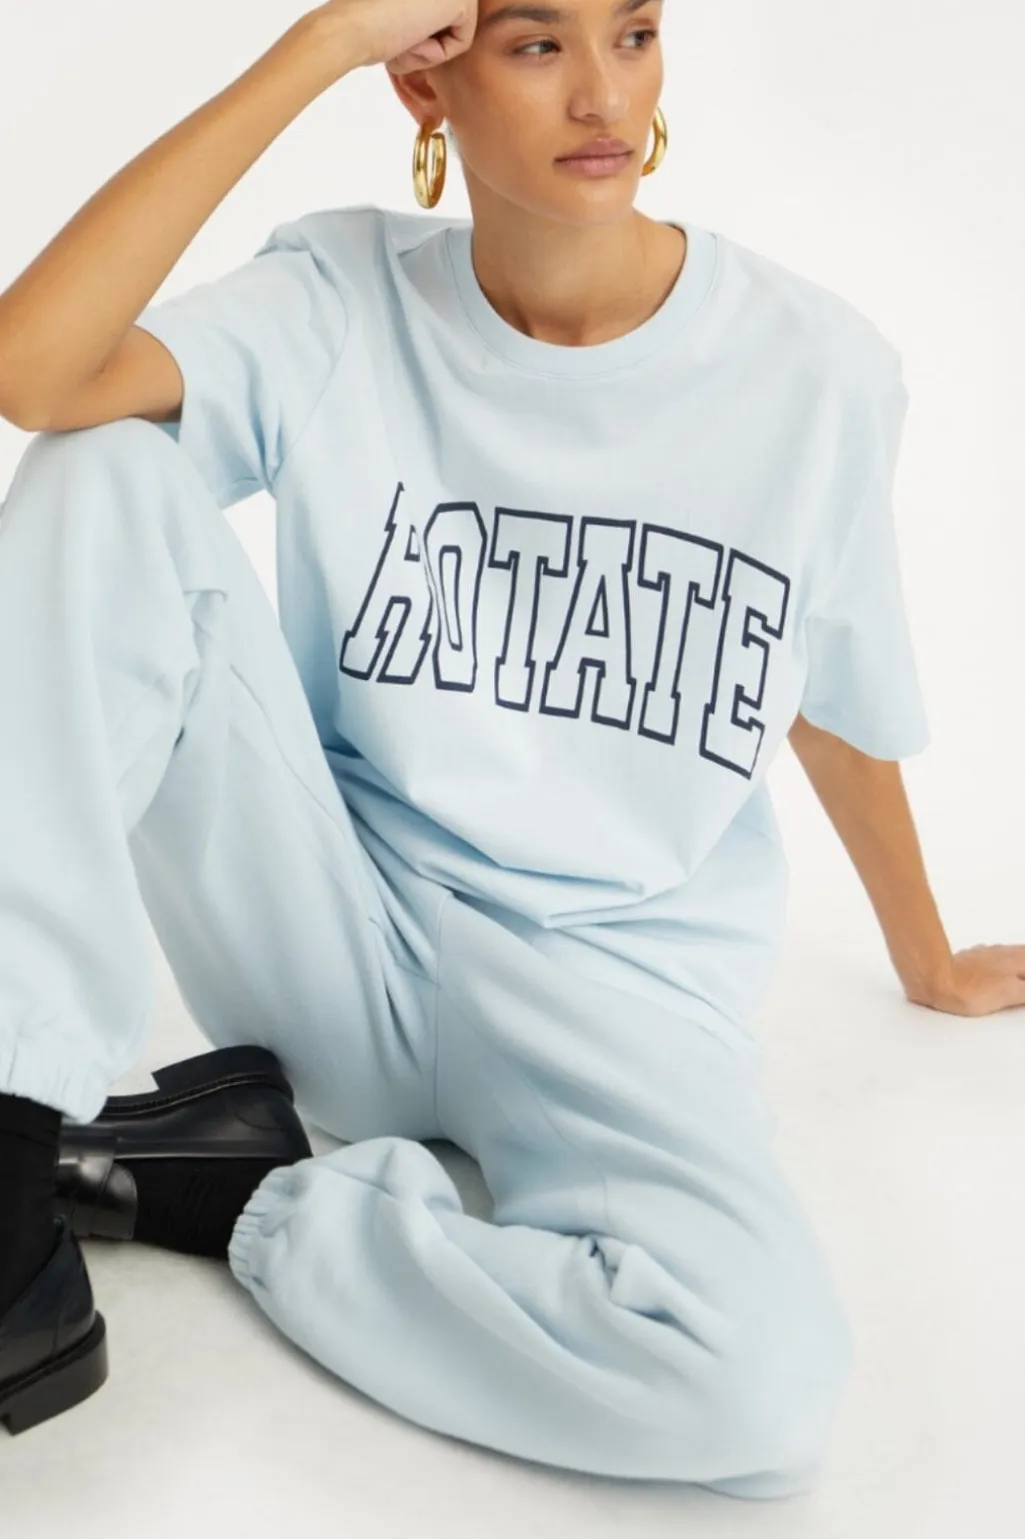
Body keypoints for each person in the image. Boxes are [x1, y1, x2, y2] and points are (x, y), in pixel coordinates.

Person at [1, 0, 1004, 1498]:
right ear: (430, 81)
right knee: (99, 474)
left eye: (635, 33)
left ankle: (249, 1197)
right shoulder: (340, 298)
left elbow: (829, 682)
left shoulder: (815, 369)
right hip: (336, 938)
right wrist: (321, 45)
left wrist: (924, 956)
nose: (603, 94)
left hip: (618, 1001)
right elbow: (35, 371)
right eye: (537, 44)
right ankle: (11, 1149)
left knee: (759, 1391)